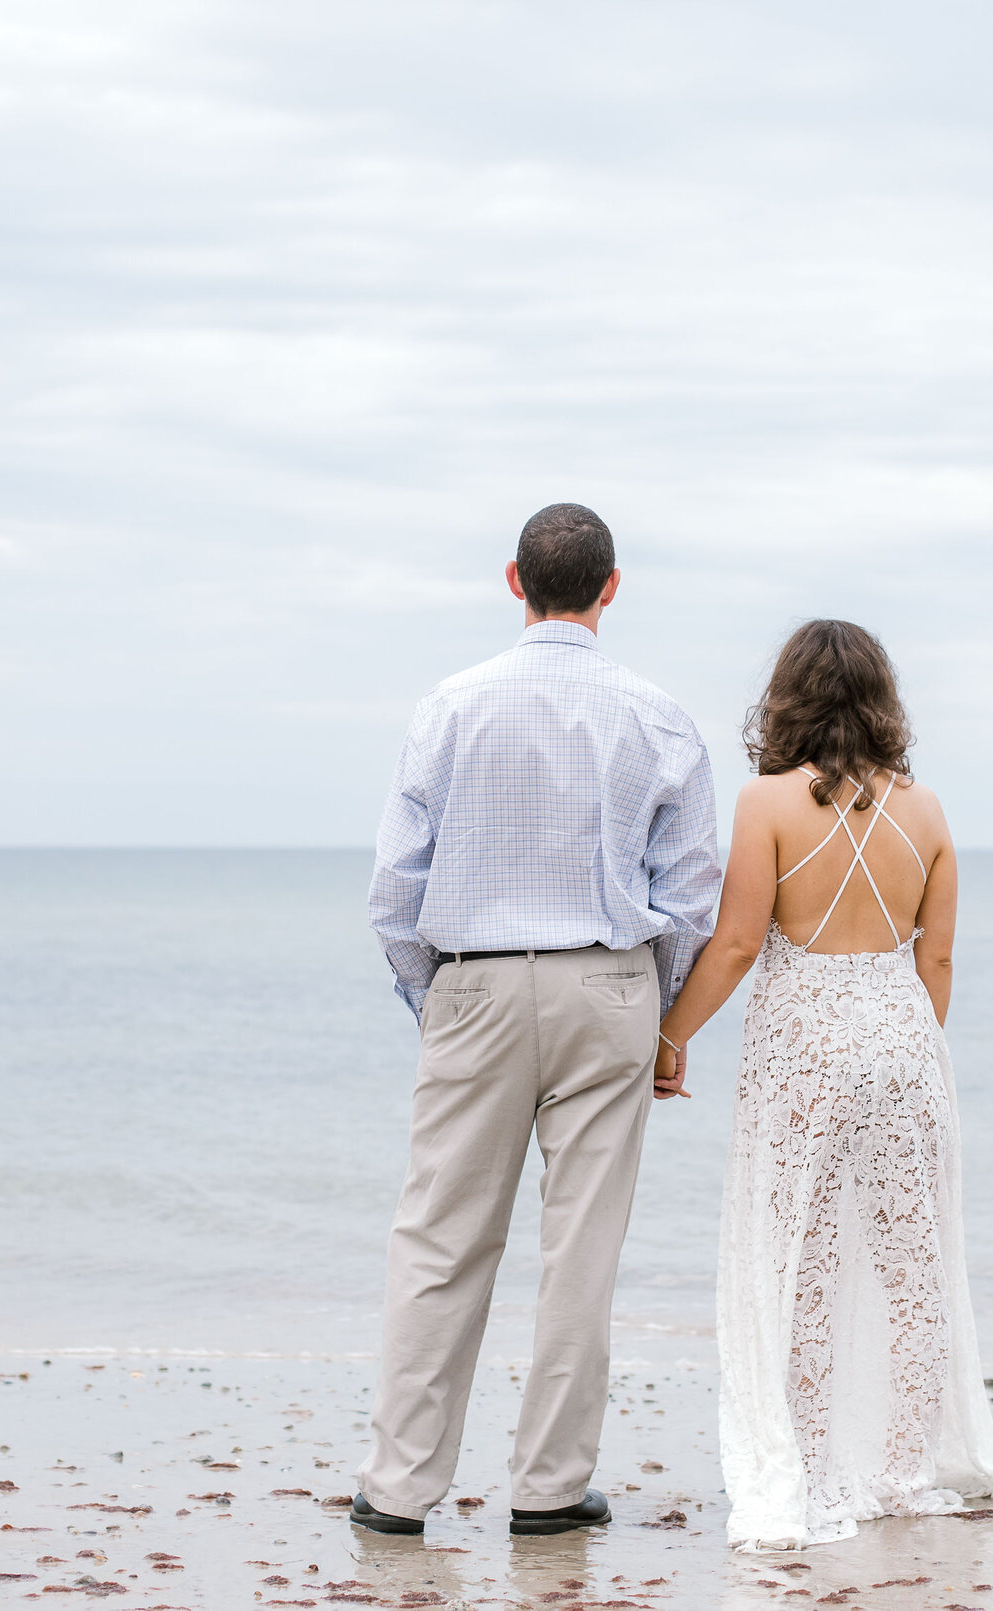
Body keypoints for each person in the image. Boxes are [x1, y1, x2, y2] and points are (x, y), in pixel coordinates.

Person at [654, 618, 993, 1549]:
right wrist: (905, 1049)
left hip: (805, 1051)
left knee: (801, 1256)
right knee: (911, 1258)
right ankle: (897, 1466)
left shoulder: (766, 802)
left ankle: (805, 1461)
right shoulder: (926, 813)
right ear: (885, 701)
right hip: (906, 1050)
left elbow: (733, 946)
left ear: (787, 698)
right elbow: (942, 959)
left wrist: (669, 1034)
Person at [353, 504, 721, 1538]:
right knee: (582, 1245)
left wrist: (437, 995)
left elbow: (394, 888)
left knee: (438, 1238)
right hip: (607, 979)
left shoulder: (449, 704)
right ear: (612, 587)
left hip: (471, 977)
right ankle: (550, 1488)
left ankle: (398, 1488)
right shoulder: (659, 716)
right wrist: (659, 1014)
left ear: (513, 581)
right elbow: (690, 891)